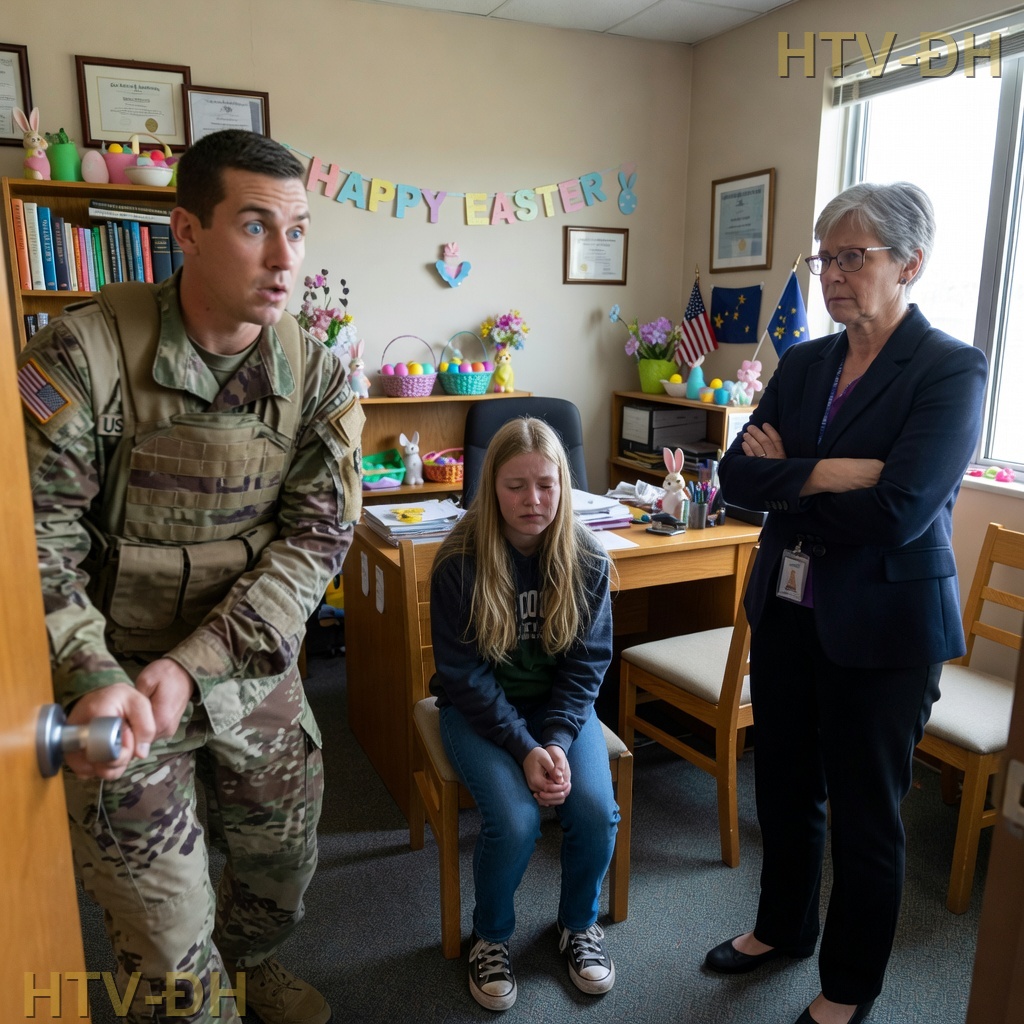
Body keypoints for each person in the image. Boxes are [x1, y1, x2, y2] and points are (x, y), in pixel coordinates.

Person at [18, 129, 364, 1024]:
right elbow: (34, 539)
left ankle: (253, 970)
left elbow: (319, 538)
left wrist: (200, 661)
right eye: (256, 226)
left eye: (299, 230)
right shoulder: (80, 359)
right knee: (170, 948)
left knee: (281, 875)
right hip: (120, 687)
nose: (285, 259)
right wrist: (94, 675)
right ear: (186, 229)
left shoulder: (315, 372)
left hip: (250, 672)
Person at [706, 181, 987, 1024]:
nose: (832, 274)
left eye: (852, 256)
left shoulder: (949, 369)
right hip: (789, 612)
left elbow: (901, 511)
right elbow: (736, 476)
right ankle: (781, 928)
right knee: (786, 785)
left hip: (886, 628)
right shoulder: (805, 362)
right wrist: (830, 472)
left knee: (868, 812)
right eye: (824, 257)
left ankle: (849, 985)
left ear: (910, 264)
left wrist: (789, 477)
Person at [429, 417, 618, 1011]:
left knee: (593, 809)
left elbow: (587, 664)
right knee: (513, 821)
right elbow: (464, 676)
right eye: (516, 485)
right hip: (480, 712)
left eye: (545, 483)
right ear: (491, 487)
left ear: (563, 484)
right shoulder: (459, 558)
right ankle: (491, 935)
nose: (532, 500)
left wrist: (557, 741)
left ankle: (577, 924)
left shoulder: (586, 556)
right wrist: (524, 748)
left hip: (558, 711)